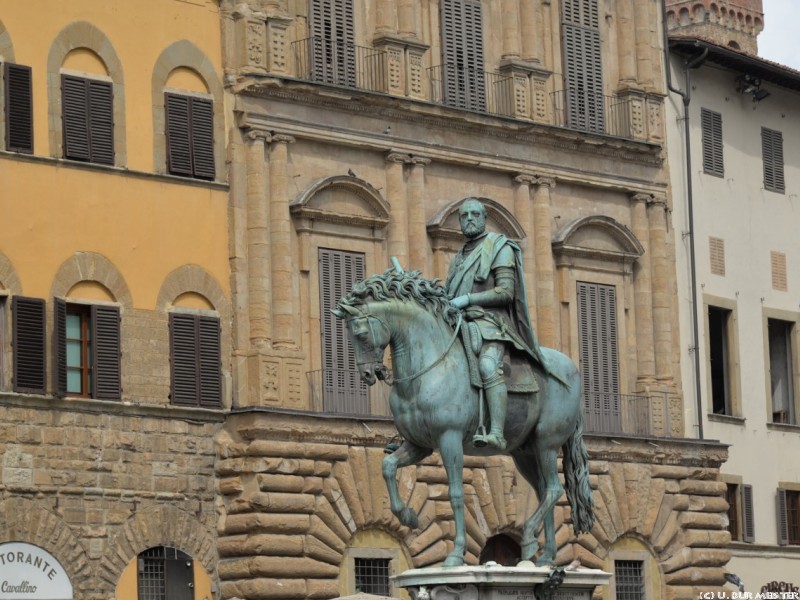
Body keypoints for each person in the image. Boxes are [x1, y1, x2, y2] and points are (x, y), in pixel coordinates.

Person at [446, 198, 547, 449]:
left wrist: (467, 299)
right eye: (464, 215)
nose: (468, 218)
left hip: (492, 325)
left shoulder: (500, 248)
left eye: (474, 214)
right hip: (460, 324)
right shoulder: (458, 258)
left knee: (488, 366)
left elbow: (505, 293)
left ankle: (497, 432)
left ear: (483, 218)